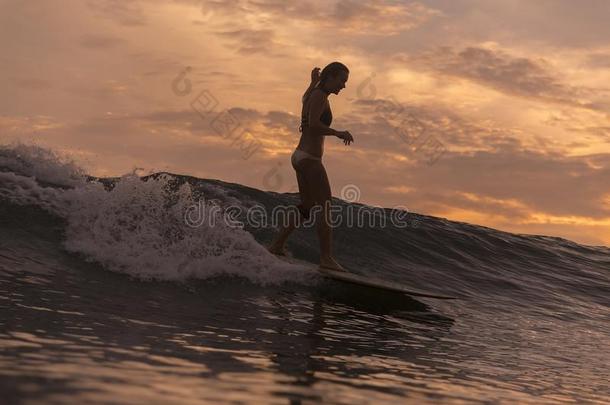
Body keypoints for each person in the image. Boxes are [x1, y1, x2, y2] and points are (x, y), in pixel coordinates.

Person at [267, 62, 354, 272]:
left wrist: (312, 82)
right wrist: (338, 133)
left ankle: (277, 245)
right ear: (330, 77)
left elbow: (303, 100)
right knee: (325, 204)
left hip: (300, 156)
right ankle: (326, 258)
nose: (343, 86)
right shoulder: (320, 97)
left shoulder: (313, 94)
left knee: (307, 206)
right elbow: (313, 125)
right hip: (310, 159)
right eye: (341, 80)